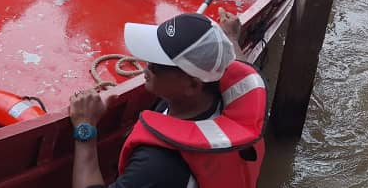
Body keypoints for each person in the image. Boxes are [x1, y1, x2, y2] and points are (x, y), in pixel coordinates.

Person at [68, 10, 266, 188]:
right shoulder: (231, 100)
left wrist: (85, 127)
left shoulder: (158, 164)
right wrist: (230, 39)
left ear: (192, 85)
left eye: (156, 66)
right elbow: (241, 69)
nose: (146, 68)